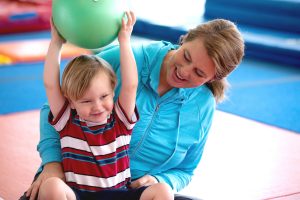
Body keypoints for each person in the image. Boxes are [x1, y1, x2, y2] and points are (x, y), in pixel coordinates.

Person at [23, 18, 244, 200]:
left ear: (213, 78)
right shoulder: (126, 60)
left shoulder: (202, 105)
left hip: (129, 192)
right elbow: (57, 101)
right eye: (186, 56)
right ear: (184, 40)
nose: (185, 72)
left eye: (199, 73)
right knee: (50, 189)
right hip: (72, 183)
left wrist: (160, 181)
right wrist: (52, 164)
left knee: (166, 193)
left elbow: (186, 170)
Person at [31, 11, 173, 200]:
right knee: (51, 187)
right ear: (71, 102)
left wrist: (124, 41)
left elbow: (131, 85)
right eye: (86, 101)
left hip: (119, 195)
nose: (97, 106)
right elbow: (50, 84)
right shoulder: (67, 121)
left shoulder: (121, 121)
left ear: (113, 91)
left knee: (163, 190)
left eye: (104, 96)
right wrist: (56, 43)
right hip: (80, 195)